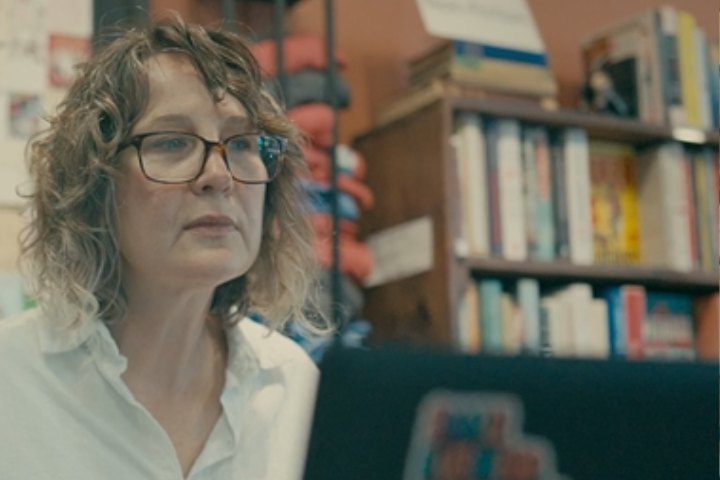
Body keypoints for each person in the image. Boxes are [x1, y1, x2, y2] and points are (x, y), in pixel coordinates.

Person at [0, 15, 331, 480]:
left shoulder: (294, 389)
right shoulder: (10, 381)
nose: (220, 175)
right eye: (172, 141)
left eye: (241, 143)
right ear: (95, 186)